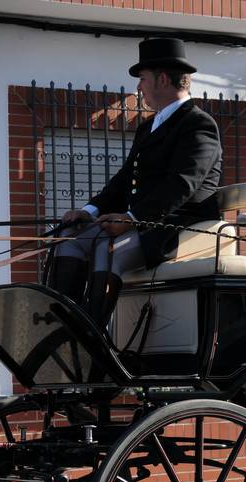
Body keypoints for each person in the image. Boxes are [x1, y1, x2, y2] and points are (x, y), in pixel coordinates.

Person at [48, 37, 222, 326]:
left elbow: (183, 183)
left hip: (176, 226)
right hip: (142, 224)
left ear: (162, 79)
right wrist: (89, 211)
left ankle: (92, 332)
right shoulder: (148, 127)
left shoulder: (198, 123)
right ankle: (62, 322)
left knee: (107, 245)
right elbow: (124, 180)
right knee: (70, 238)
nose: (139, 87)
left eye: (142, 79)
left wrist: (132, 217)